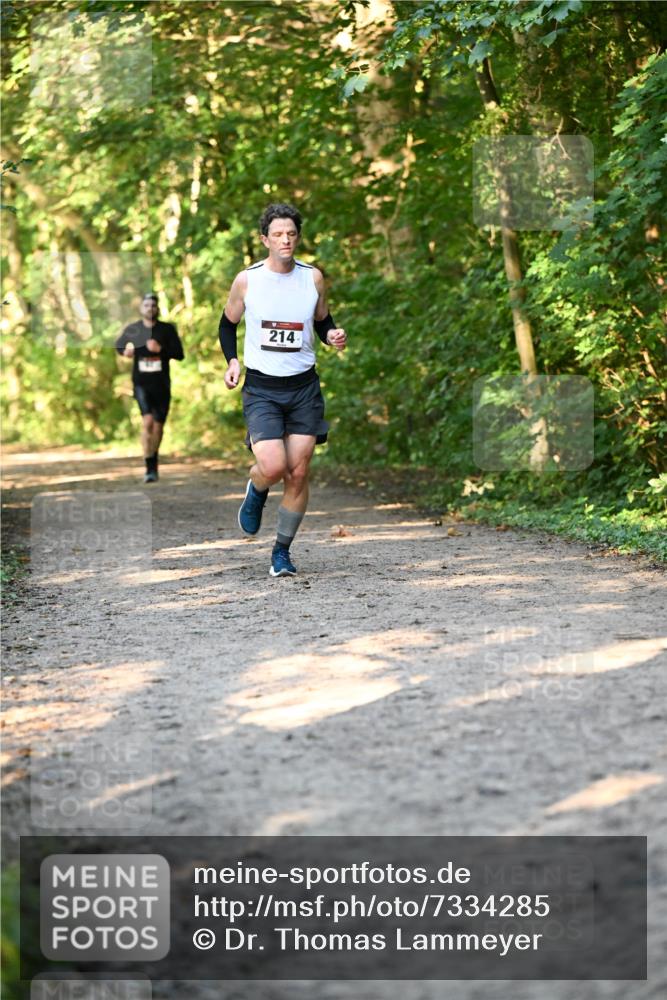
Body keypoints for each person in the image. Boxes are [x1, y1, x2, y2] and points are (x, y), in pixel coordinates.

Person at [219, 203, 347, 577]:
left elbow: (323, 321)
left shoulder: (313, 278)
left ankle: (281, 552)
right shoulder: (248, 280)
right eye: (277, 234)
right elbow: (227, 324)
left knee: (298, 472)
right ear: (265, 240)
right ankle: (257, 488)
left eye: (291, 233)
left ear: (298, 237)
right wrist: (232, 360)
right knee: (273, 466)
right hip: (262, 388)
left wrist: (332, 335)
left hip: (304, 387)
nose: (285, 240)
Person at [115, 292, 184, 483]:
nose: (150, 309)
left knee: (158, 426)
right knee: (147, 422)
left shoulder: (167, 329)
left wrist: (160, 350)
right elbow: (119, 345)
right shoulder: (134, 329)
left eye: (153, 305)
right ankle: (149, 467)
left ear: (157, 308)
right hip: (141, 384)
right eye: (146, 305)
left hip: (161, 384)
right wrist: (125, 351)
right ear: (141, 308)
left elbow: (179, 354)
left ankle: (154, 460)